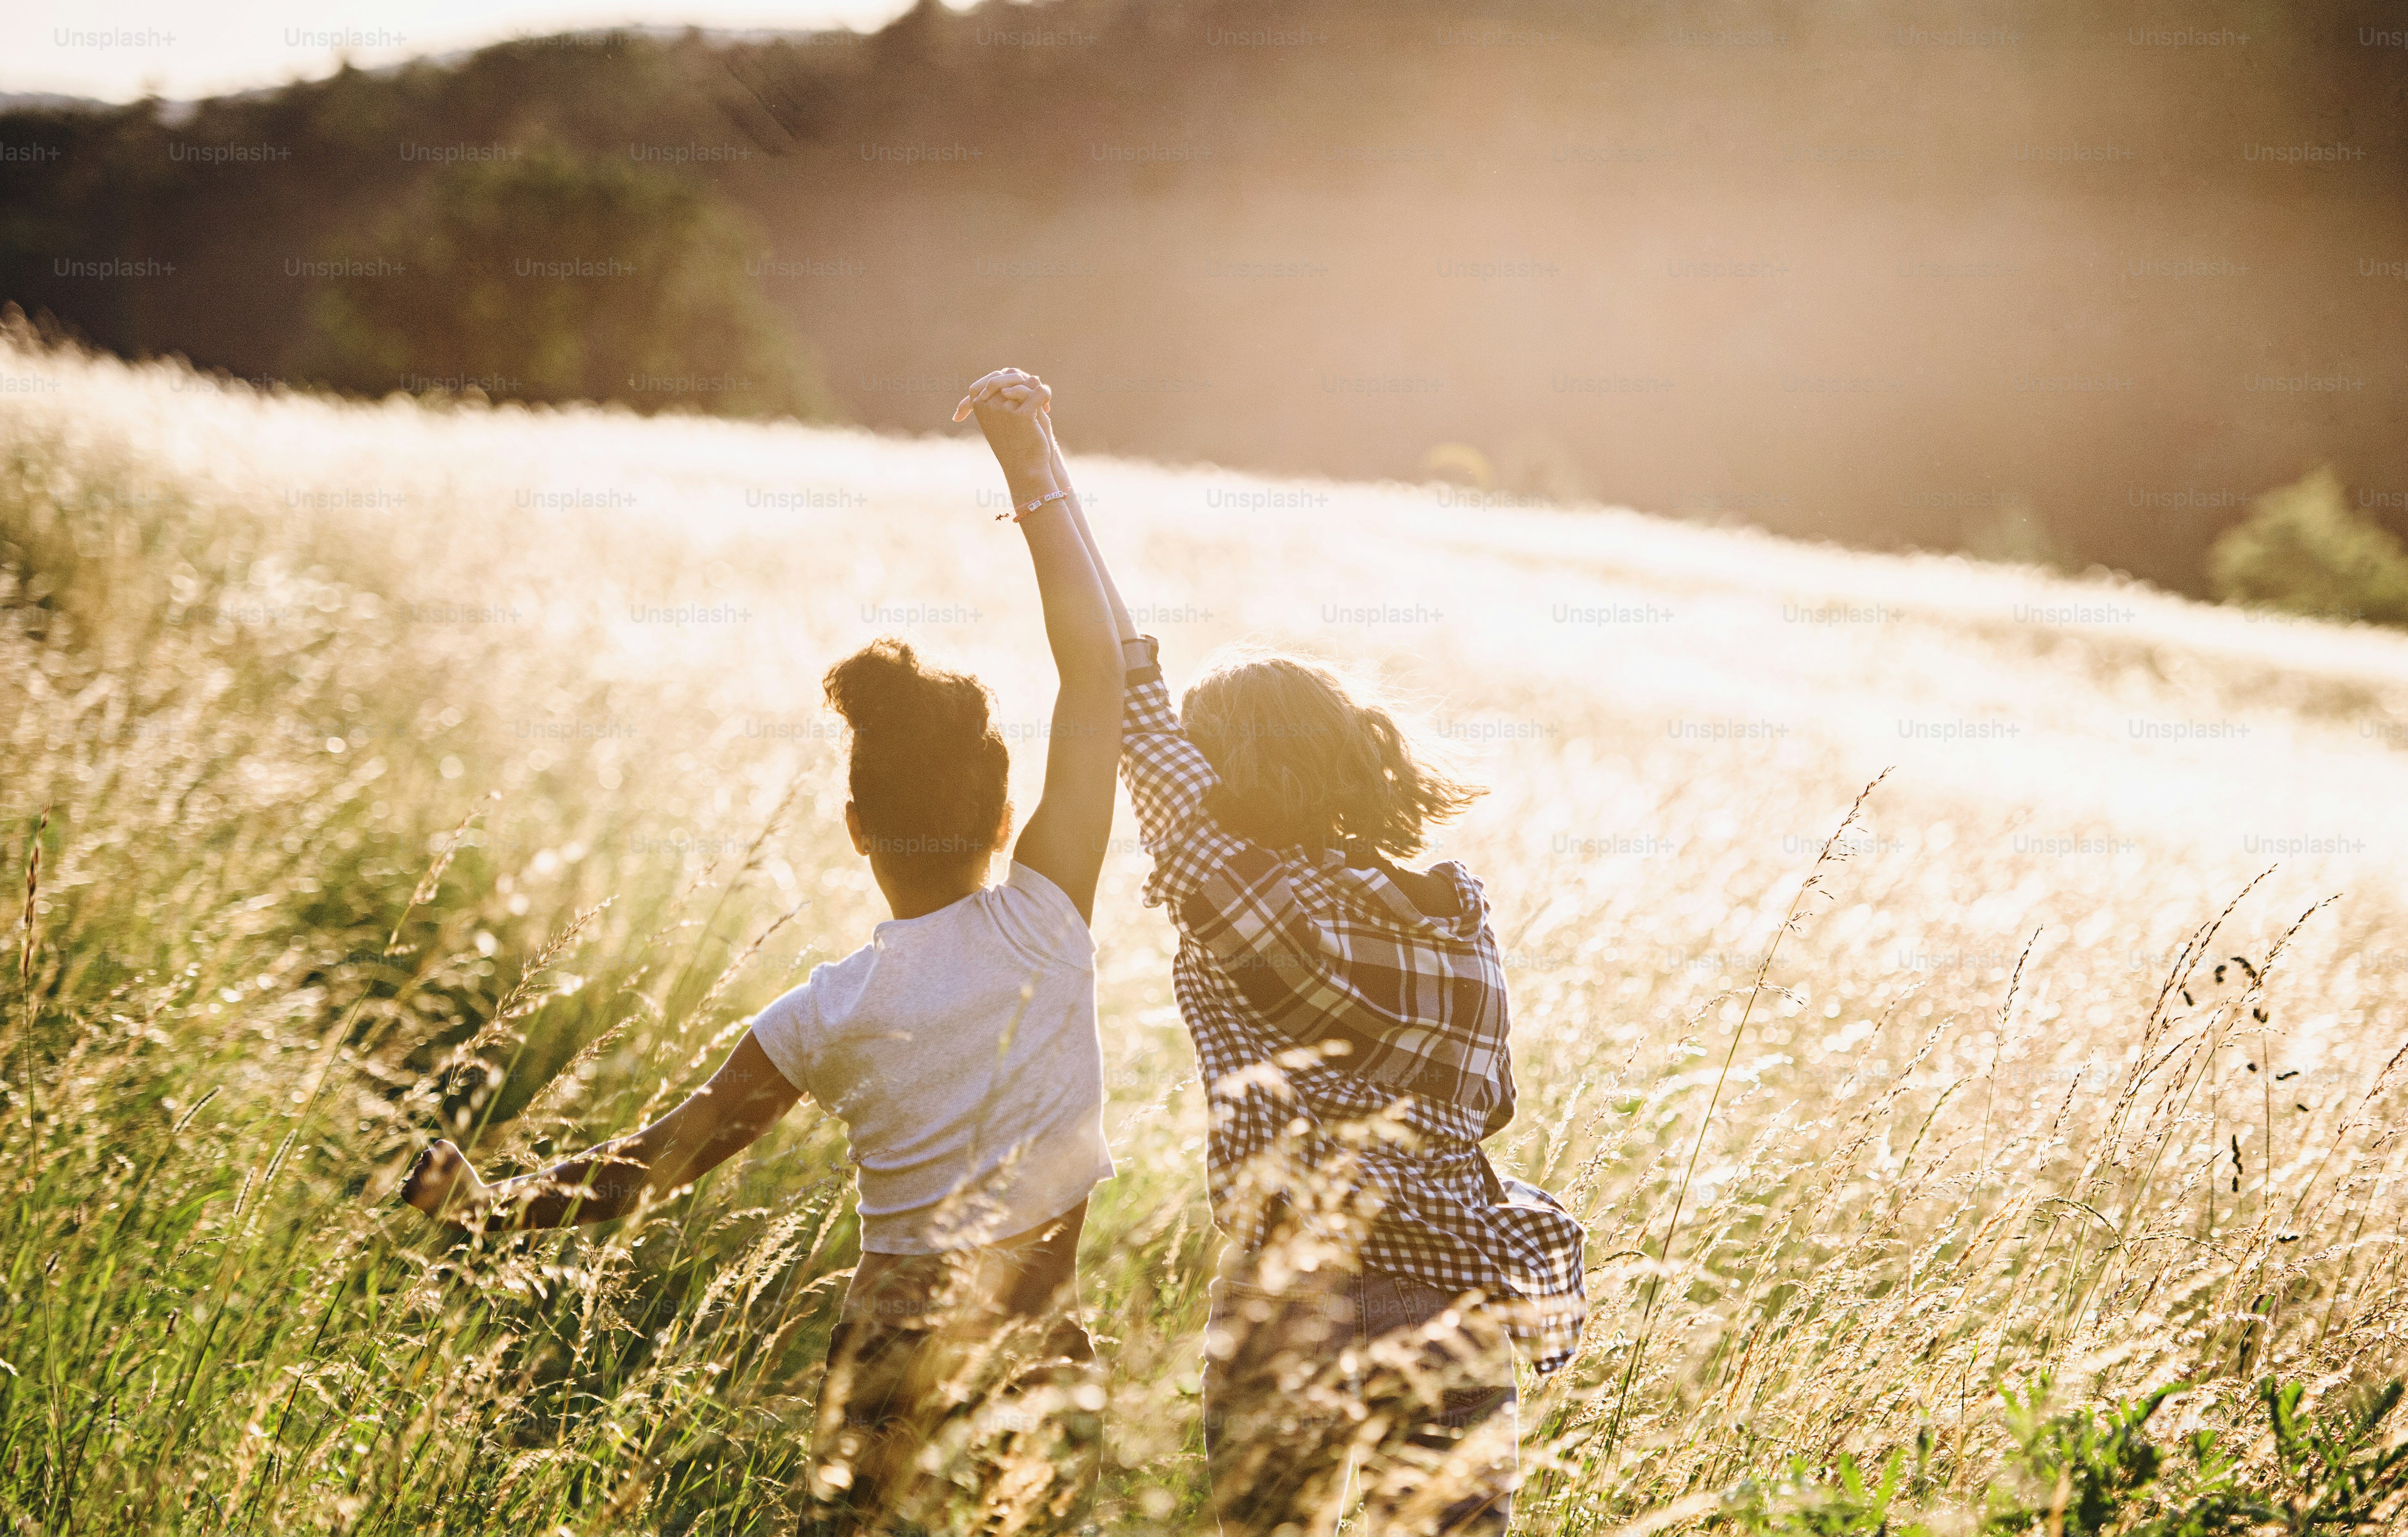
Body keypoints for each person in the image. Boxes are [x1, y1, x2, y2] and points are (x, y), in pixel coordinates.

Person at [399, 366, 1123, 1533]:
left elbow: (649, 1167)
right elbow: (1097, 675)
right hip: (1039, 1352)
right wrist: (1029, 457)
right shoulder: (1048, 917)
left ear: (853, 830)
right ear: (1002, 820)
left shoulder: (824, 1014)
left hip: (886, 1366)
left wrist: (488, 1209)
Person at [1011, 369, 1587, 1533]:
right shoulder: (1454, 912)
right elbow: (1495, 1105)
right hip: (1459, 1296)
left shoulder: (1237, 888)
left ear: (1217, 777)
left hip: (1299, 1297)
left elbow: (1123, 681)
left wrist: (1033, 459)